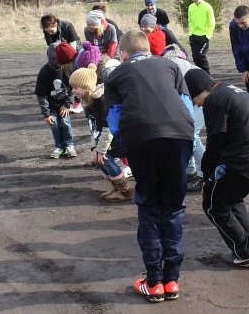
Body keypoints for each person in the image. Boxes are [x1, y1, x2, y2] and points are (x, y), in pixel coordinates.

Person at [104, 30, 194, 303]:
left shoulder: (115, 75)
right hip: (179, 135)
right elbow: (186, 106)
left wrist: (130, 144)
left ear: (122, 53)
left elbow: (114, 119)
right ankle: (172, 280)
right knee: (173, 205)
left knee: (149, 205)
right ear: (149, 49)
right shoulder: (170, 64)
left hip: (142, 138)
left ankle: (154, 281)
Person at [184, 69, 249, 268]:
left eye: (193, 99)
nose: (196, 104)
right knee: (231, 201)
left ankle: (246, 252)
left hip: (242, 160)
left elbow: (215, 144)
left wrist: (206, 177)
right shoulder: (231, 90)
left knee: (213, 205)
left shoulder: (214, 101)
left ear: (198, 91)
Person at [69, 67, 133, 202]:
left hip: (117, 139)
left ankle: (125, 191)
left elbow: (108, 127)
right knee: (98, 159)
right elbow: (94, 127)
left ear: (86, 87)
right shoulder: (87, 101)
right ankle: (116, 187)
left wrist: (101, 149)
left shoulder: (101, 101)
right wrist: (94, 147)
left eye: (76, 87)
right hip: (106, 139)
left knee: (105, 159)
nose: (73, 91)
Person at [161, 44, 206, 192]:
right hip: (198, 100)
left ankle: (204, 174)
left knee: (192, 135)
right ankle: (191, 171)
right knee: (189, 135)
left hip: (202, 101)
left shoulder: (171, 66)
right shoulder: (182, 63)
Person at [35, 42, 77, 159]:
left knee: (65, 123)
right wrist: (46, 113)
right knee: (54, 124)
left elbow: (72, 88)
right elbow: (41, 95)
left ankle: (69, 145)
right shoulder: (44, 72)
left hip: (64, 104)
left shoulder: (67, 69)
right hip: (51, 106)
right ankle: (59, 146)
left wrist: (68, 104)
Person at [187, 0, 215, 73]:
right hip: (193, 36)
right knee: (195, 56)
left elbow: (211, 23)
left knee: (201, 55)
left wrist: (208, 36)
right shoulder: (191, 7)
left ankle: (207, 75)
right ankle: (200, 74)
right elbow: (190, 21)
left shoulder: (207, 7)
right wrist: (190, 33)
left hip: (203, 36)